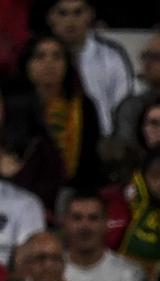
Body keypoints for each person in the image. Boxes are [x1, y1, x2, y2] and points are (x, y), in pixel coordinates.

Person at [61, 191, 146, 281]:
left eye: (93, 218)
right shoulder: (52, 272)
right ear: (65, 222)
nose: (84, 226)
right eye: (77, 218)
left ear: (106, 223)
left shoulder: (129, 273)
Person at [20, 34, 103, 188]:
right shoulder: (13, 105)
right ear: (27, 64)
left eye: (57, 56)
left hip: (74, 190)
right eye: (40, 56)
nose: (49, 63)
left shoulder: (84, 106)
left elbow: (91, 159)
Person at [43, 0, 132, 137]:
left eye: (78, 12)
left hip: (104, 141)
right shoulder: (39, 59)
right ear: (50, 17)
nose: (70, 21)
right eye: (63, 13)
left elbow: (123, 104)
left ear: (90, 15)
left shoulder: (112, 55)